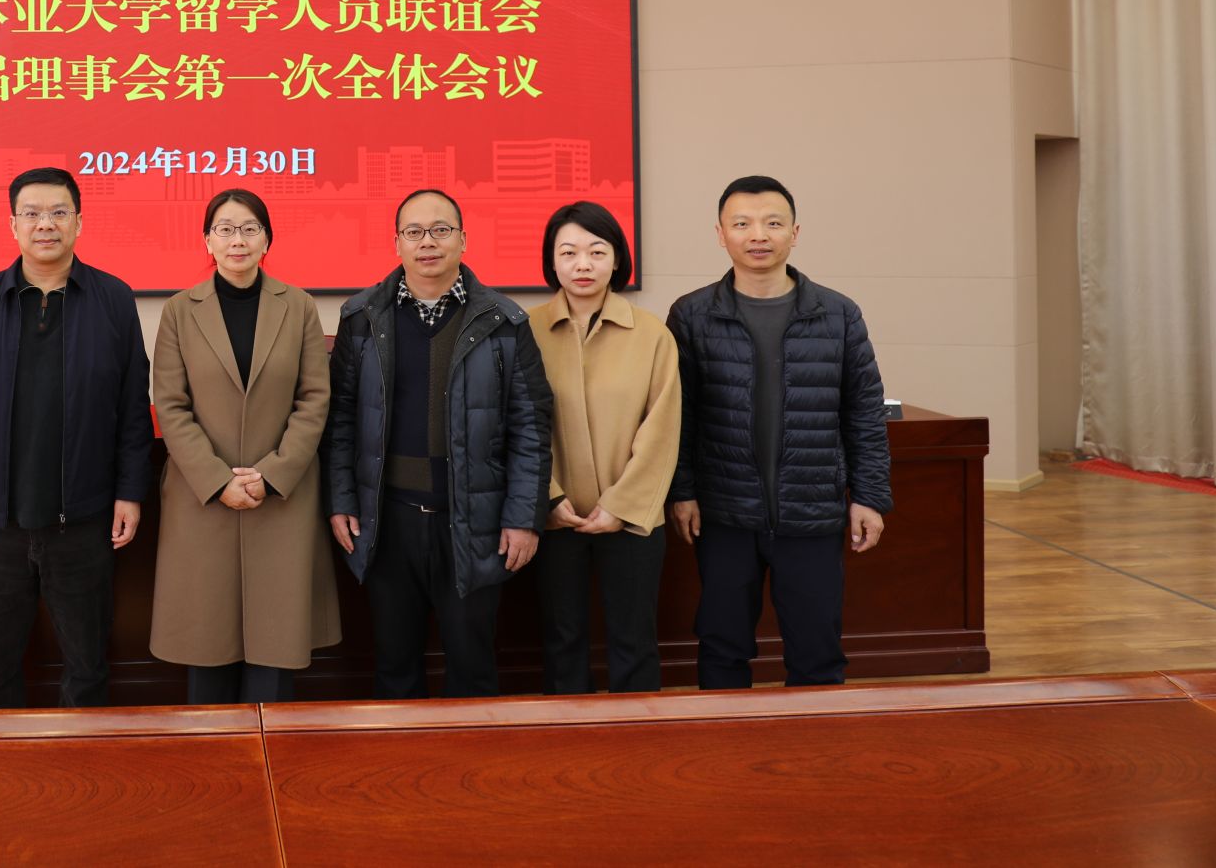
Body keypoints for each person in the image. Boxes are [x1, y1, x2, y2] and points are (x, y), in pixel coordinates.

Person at [0, 166, 152, 708]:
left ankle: (83, 758)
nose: (45, 224)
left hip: (85, 520)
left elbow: (132, 408)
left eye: (58, 213)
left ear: (79, 222)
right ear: (13, 225)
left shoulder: (113, 299)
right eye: (31, 214)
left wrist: (130, 492)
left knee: (87, 666)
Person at [666, 175, 893, 688]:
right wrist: (682, 491)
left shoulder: (838, 314)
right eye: (741, 224)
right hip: (724, 511)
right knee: (721, 646)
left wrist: (870, 496)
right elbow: (677, 415)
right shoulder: (691, 315)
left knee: (817, 652)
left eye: (772, 223)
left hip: (811, 510)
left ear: (795, 232)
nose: (758, 235)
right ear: (720, 234)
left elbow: (863, 413)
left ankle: (815, 740)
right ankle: (725, 739)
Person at [326, 188, 553, 699]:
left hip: (473, 519)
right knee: (394, 667)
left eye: (440, 230)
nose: (427, 242)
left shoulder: (504, 320)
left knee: (473, 669)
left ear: (463, 239)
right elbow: (340, 420)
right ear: (397, 243)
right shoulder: (362, 316)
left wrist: (523, 517)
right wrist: (341, 500)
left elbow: (531, 428)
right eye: (414, 232)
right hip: (387, 520)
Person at [149, 188, 340, 703]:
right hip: (202, 500)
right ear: (207, 240)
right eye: (226, 229)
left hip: (281, 497)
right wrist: (217, 480)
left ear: (267, 240)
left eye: (250, 229)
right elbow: (171, 406)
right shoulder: (180, 311)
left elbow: (314, 398)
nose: (238, 240)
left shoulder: (297, 306)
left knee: (275, 651)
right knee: (206, 645)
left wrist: (272, 473)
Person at [529, 201, 680, 694]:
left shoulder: (652, 334)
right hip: (555, 518)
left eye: (597, 251)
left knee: (635, 642)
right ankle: (567, 734)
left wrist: (621, 505)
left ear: (617, 259)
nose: (583, 264)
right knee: (561, 641)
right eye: (568, 252)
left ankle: (638, 735)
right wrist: (548, 498)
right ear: (552, 262)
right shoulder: (523, 332)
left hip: (631, 517)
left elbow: (662, 429)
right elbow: (516, 426)